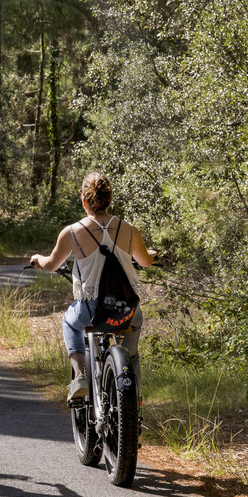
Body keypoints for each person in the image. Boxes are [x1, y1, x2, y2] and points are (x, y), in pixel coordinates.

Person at [29, 171, 154, 401]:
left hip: (93, 311)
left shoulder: (72, 232)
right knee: (132, 349)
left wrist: (38, 259)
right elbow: (145, 261)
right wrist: (151, 255)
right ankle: (133, 396)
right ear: (110, 199)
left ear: (84, 200)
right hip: (126, 310)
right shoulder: (129, 229)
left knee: (69, 321)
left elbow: (51, 264)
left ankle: (79, 377)